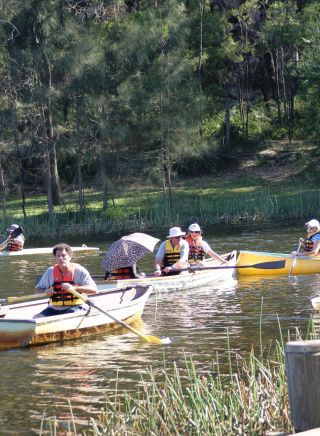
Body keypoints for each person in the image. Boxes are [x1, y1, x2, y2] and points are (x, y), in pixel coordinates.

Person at [35, 243, 97, 317]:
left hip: (76, 306)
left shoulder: (79, 270)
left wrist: (75, 288)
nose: (61, 258)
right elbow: (37, 289)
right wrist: (45, 291)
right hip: (54, 308)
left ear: (70, 256)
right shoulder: (50, 271)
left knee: (67, 317)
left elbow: (94, 290)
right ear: (55, 258)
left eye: (63, 255)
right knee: (37, 317)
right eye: (58, 256)